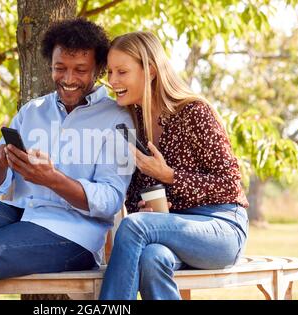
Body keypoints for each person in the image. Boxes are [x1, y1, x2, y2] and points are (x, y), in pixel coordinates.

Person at [0, 18, 133, 300]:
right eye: (60, 68)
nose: (68, 79)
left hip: (74, 235)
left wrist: (52, 180)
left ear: (98, 69)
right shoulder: (32, 111)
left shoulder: (120, 120)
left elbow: (111, 201)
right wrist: (0, 162)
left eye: (80, 70)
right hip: (21, 216)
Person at [99, 31, 249, 300]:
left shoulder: (194, 113)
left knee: (133, 225)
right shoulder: (134, 126)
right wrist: (145, 207)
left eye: (122, 72)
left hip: (222, 227)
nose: (112, 81)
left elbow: (230, 186)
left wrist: (169, 176)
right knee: (151, 258)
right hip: (169, 231)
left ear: (151, 71)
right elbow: (135, 197)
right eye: (110, 72)